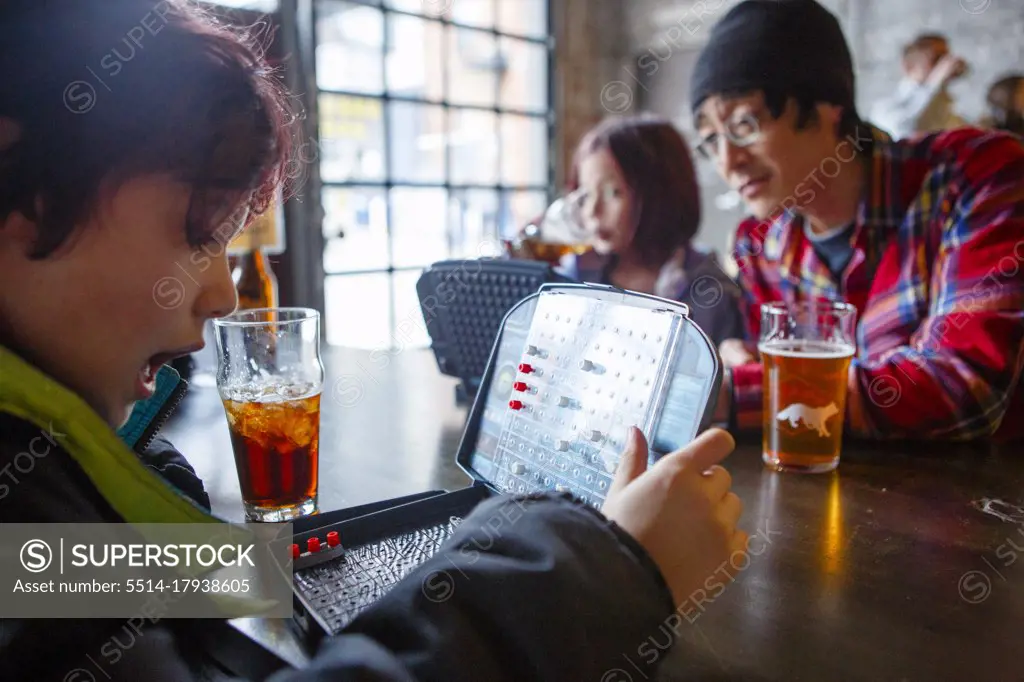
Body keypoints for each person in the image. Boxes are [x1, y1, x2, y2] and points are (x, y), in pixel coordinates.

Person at [0, 1, 749, 680]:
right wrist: (604, 573)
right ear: (27, 187)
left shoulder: (43, 485)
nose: (224, 294)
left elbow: (74, 575)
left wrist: (209, 541)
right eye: (200, 234)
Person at [689, 0, 1024, 441]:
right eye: (711, 141)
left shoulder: (976, 177)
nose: (727, 161)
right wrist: (753, 364)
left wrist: (740, 393)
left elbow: (962, 384)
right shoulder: (759, 245)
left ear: (827, 105)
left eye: (745, 124)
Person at [557, 115, 746, 347]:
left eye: (612, 193)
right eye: (586, 194)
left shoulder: (711, 291)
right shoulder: (571, 280)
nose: (592, 211)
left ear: (660, 195)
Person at [869, 33, 969, 139]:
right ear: (909, 66)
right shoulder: (885, 108)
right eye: (936, 59)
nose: (944, 66)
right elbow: (906, 133)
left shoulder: (947, 107)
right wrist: (934, 83)